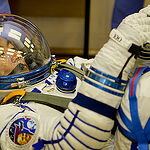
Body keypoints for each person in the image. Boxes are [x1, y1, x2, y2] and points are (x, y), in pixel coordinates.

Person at [1, 5, 150, 150]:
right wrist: (120, 46)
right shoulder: (8, 116)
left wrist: (141, 42)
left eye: (12, 46)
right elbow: (73, 142)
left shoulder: (65, 67)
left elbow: (124, 72)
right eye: (2, 54)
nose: (14, 54)